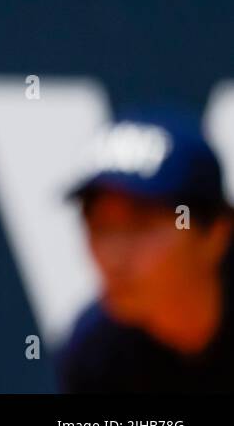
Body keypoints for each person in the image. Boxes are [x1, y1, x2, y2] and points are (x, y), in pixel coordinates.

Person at [58, 109, 234, 393]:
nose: (114, 257)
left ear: (215, 234)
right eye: (100, 226)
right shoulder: (96, 355)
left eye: (140, 225)